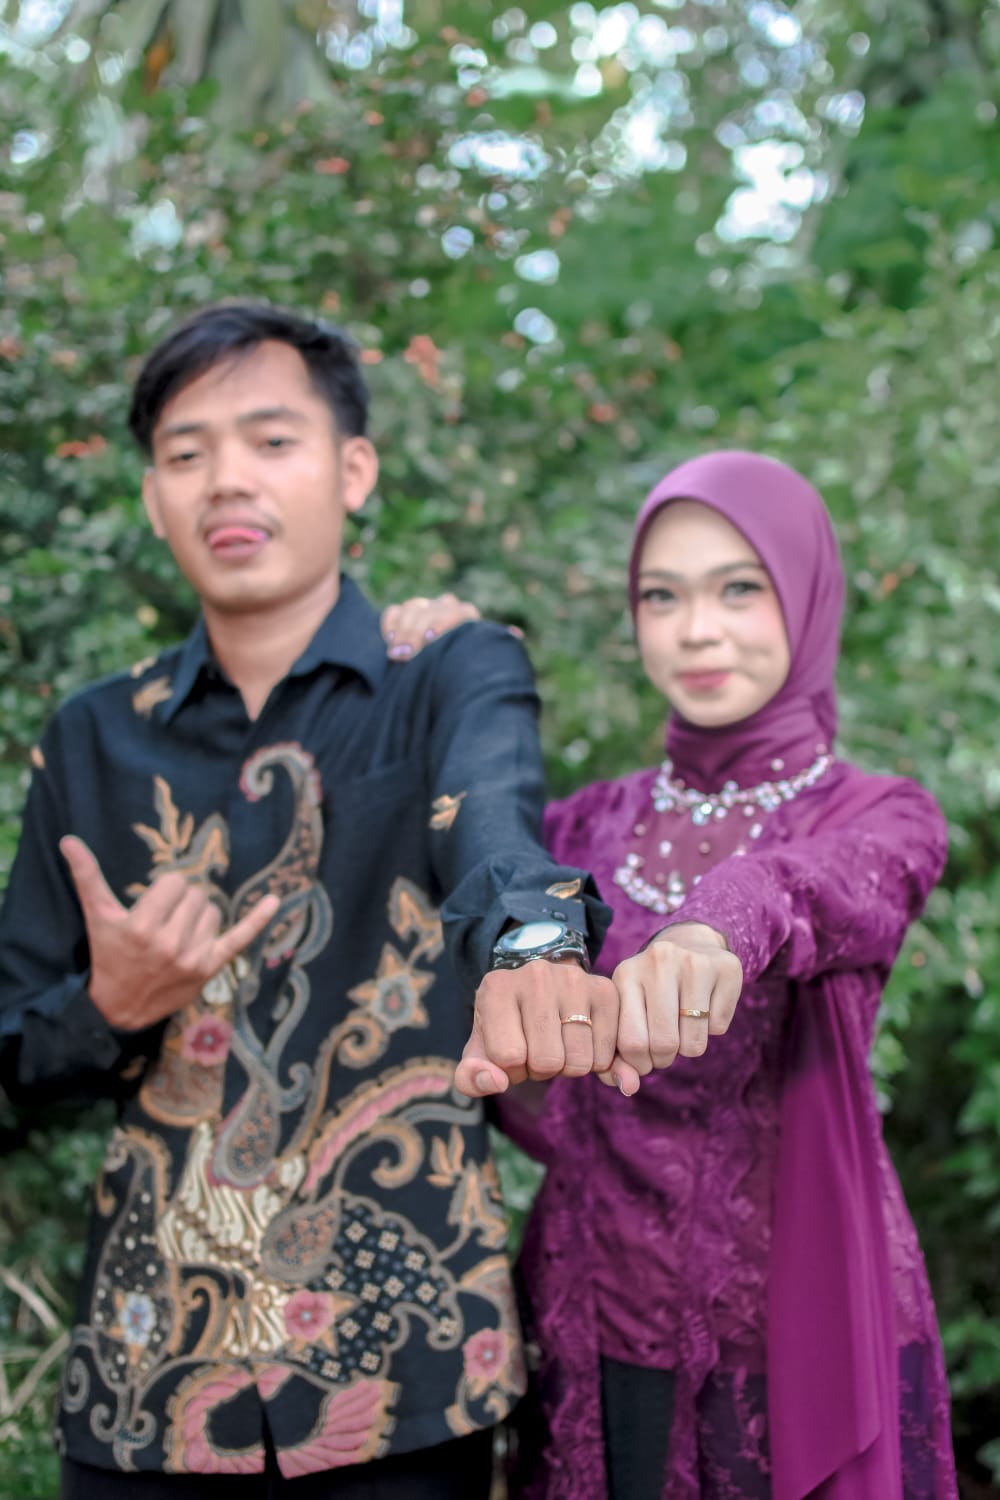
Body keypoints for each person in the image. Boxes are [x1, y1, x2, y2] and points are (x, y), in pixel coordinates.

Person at [0, 302, 628, 1498]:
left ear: (353, 472)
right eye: (186, 453)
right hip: (147, 1387)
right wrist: (108, 1005)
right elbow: (16, 1048)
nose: (227, 479)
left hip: (404, 1384)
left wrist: (537, 950)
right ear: (153, 497)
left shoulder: (444, 673)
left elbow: (495, 828)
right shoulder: (91, 738)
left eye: (271, 439)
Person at [382, 450, 958, 1499]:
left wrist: (715, 926)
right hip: (591, 1313)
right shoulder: (578, 829)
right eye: (663, 596)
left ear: (807, 597)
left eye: (740, 589)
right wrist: (450, 666)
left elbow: (822, 888)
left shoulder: (881, 815)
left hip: (791, 1330)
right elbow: (460, 890)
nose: (697, 630)